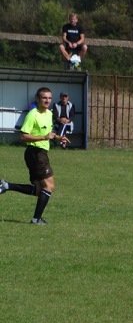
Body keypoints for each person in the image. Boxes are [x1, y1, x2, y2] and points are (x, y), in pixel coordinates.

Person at [0, 87, 70, 225]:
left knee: (39, 190)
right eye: (44, 98)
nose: (47, 100)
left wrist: (57, 137)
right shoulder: (33, 114)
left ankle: (6, 186)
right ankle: (36, 219)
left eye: (49, 98)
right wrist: (43, 137)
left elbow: (49, 132)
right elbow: (23, 136)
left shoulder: (49, 113)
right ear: (37, 99)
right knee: (49, 186)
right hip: (35, 153)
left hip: (40, 153)